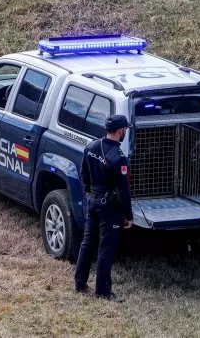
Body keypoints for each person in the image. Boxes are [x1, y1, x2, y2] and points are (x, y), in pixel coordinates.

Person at [74, 115, 134, 302]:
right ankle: (103, 291)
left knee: (87, 242)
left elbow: (84, 174)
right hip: (109, 207)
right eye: (125, 129)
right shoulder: (118, 157)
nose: (126, 132)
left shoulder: (91, 147)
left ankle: (80, 282)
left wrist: (89, 193)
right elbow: (123, 190)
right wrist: (128, 215)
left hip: (93, 200)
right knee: (106, 248)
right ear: (120, 131)